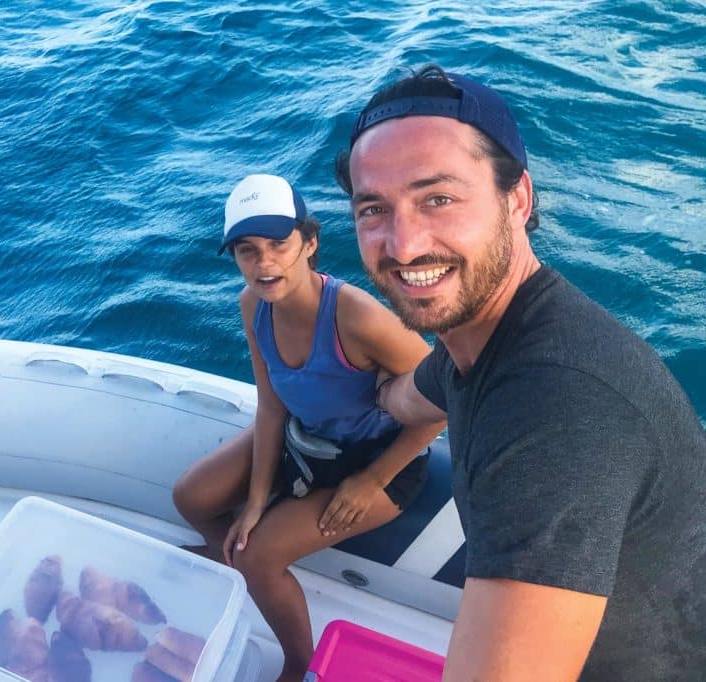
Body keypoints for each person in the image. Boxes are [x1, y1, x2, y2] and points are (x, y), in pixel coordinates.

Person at [335, 64, 706, 680]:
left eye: (438, 199)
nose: (402, 245)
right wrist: (361, 392)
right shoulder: (482, 345)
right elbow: (415, 393)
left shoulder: (560, 412)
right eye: (374, 208)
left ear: (518, 200)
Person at [172, 173, 444, 682]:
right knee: (191, 497)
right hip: (305, 441)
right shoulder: (253, 305)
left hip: (378, 463)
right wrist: (254, 500)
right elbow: (272, 406)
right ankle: (226, 558)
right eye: (247, 250)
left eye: (279, 244)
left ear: (310, 242)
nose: (264, 262)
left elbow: (442, 400)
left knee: (261, 558)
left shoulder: (357, 317)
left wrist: (372, 481)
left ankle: (298, 665)